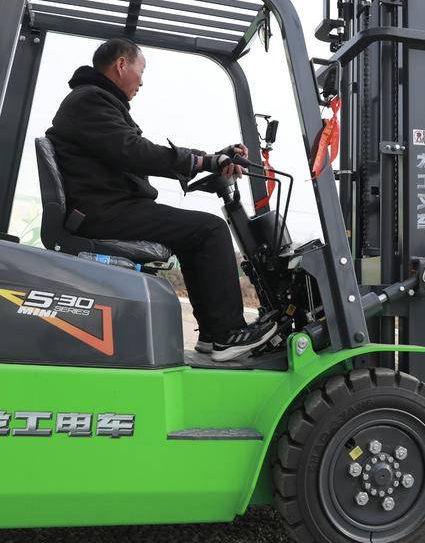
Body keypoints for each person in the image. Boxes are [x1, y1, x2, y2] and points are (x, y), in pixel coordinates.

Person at [45, 37, 276, 362]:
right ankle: (227, 333)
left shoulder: (96, 102)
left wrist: (209, 158)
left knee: (194, 235)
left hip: (106, 206)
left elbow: (140, 150)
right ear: (121, 65)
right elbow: (136, 152)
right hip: (104, 211)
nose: (141, 81)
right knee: (209, 230)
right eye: (141, 71)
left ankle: (214, 335)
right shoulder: (90, 101)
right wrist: (202, 162)